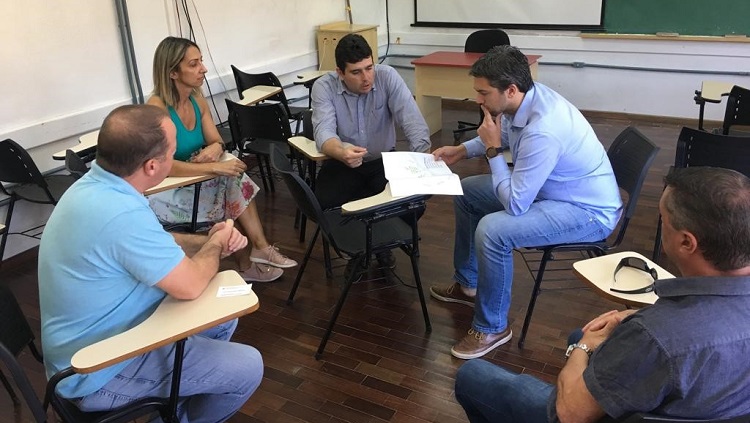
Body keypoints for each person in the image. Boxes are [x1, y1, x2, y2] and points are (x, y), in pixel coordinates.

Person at [454, 166, 750, 422]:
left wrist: (582, 348)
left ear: (687, 243)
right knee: (590, 339)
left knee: (473, 375)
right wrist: (635, 319)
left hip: (577, 412)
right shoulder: (659, 332)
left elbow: (570, 414)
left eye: (664, 221)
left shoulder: (653, 337)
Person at [38, 104, 263, 422]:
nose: (177, 158)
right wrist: (215, 243)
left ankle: (173, 411)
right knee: (248, 367)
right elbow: (190, 285)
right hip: (97, 372)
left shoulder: (96, 188)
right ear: (153, 166)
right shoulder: (120, 211)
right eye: (173, 152)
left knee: (223, 320)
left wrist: (206, 241)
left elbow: (152, 243)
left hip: (93, 347)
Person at [429, 45, 622, 359]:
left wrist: (491, 153)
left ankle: (492, 327)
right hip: (551, 190)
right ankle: (467, 286)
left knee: (493, 231)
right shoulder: (521, 101)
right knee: (467, 192)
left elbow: (516, 204)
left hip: (586, 212)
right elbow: (500, 136)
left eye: (483, 92)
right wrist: (462, 151)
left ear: (511, 89)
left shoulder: (544, 129)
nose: (477, 99)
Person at [147, 36, 296, 283]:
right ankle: (254, 255)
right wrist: (214, 166)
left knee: (234, 178)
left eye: (201, 62)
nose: (203, 69)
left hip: (196, 181)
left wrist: (215, 150)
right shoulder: (157, 108)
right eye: (193, 64)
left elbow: (216, 139)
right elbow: (162, 166)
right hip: (167, 191)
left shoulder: (196, 99)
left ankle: (255, 254)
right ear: (173, 72)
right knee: (231, 185)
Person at [311, 33, 431, 276]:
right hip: (343, 162)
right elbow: (323, 131)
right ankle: (362, 247)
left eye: (369, 68)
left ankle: (377, 244)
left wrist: (423, 165)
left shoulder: (387, 77)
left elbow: (413, 123)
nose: (366, 78)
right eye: (356, 72)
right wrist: (341, 151)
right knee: (324, 204)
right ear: (340, 72)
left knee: (414, 204)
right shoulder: (324, 87)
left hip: (383, 161)